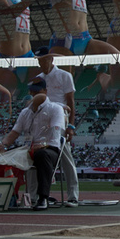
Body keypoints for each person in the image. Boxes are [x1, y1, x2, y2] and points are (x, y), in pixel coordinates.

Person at [0, 81, 66, 211]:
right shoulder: (25, 112)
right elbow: (15, 132)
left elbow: (56, 133)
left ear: (44, 91)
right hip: (27, 149)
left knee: (42, 155)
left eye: (36, 91)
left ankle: (43, 197)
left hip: (49, 150)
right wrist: (3, 144)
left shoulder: (55, 109)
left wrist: (42, 145)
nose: (32, 94)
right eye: (32, 91)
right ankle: (7, 196)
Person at [34, 46, 79, 207]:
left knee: (66, 156)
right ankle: (36, 196)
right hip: (42, 120)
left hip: (61, 118)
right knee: (37, 154)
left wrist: (71, 126)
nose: (41, 64)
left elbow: (71, 102)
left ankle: (73, 196)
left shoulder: (64, 75)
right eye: (39, 61)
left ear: (50, 59)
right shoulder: (38, 78)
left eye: (43, 60)